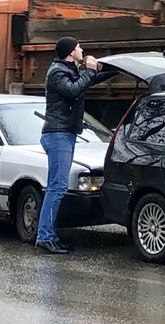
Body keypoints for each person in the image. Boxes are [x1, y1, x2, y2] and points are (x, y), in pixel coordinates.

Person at [36, 36, 115, 255]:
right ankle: (45, 237)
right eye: (79, 47)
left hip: (65, 134)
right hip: (57, 135)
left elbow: (87, 81)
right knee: (57, 187)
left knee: (57, 187)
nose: (82, 49)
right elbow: (73, 90)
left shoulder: (68, 69)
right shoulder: (57, 72)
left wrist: (114, 69)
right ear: (71, 52)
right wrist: (89, 70)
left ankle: (48, 235)